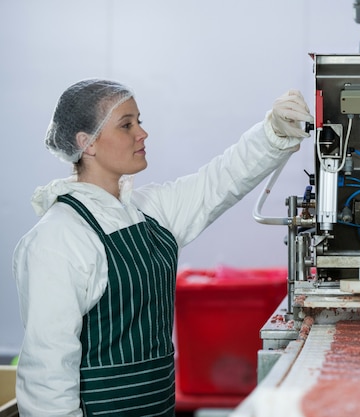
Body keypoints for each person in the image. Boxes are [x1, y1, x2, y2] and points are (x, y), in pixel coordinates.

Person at [12, 79, 313, 416]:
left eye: (139, 121)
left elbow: (219, 181)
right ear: (87, 143)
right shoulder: (58, 238)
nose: (142, 133)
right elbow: (47, 375)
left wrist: (272, 131)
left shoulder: (148, 210)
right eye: (127, 125)